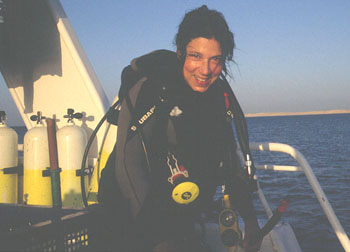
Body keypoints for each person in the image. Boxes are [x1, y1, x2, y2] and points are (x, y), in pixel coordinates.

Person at [98, 5, 262, 252]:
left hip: (179, 221)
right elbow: (128, 164)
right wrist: (159, 240)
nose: (205, 71)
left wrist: (250, 220)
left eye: (215, 59)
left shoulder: (218, 98)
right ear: (180, 52)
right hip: (128, 220)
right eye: (196, 56)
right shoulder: (152, 90)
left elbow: (229, 163)